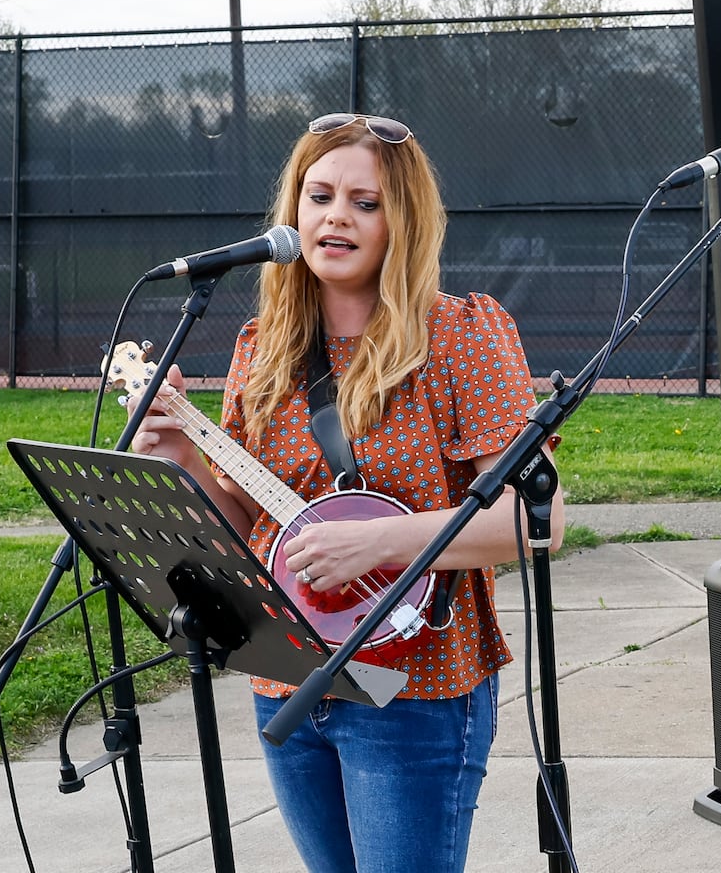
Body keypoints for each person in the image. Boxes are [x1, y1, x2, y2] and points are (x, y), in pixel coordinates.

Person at [129, 111, 563, 872]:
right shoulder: (262, 350)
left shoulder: (461, 335)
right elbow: (245, 522)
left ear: (404, 220)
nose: (336, 217)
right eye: (319, 195)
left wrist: (384, 541)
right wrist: (180, 454)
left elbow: (539, 521)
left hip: (416, 688)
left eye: (365, 202)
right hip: (288, 673)